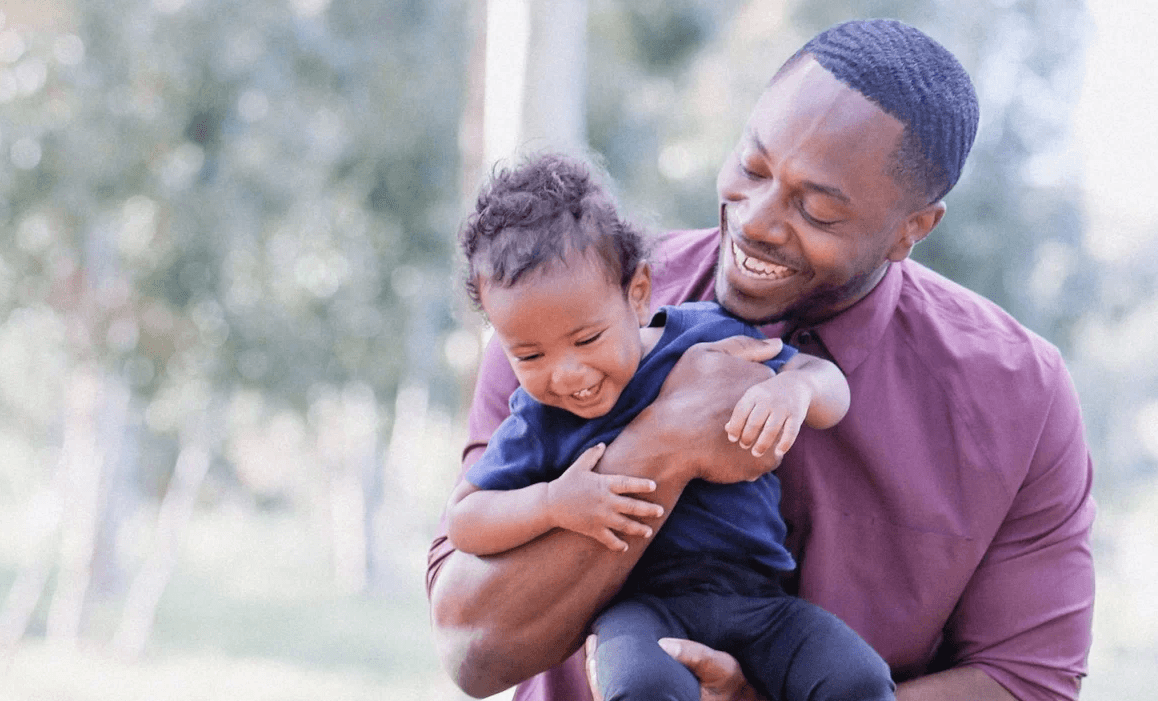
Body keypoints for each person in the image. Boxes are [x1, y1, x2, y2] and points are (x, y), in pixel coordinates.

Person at [427, 17, 1095, 701]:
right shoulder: (571, 315)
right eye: (751, 166)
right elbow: (472, 651)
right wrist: (661, 444)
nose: (755, 220)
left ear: (910, 229)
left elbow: (1027, 683)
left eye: (817, 209)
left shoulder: (1020, 396)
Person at [444, 152, 894, 701]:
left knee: (859, 680)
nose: (567, 374)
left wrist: (794, 389)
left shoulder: (707, 339)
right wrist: (552, 503)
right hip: (642, 611)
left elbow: (827, 384)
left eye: (587, 340)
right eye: (529, 355)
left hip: (759, 601)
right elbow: (465, 519)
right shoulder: (539, 420)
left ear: (637, 294)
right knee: (641, 687)